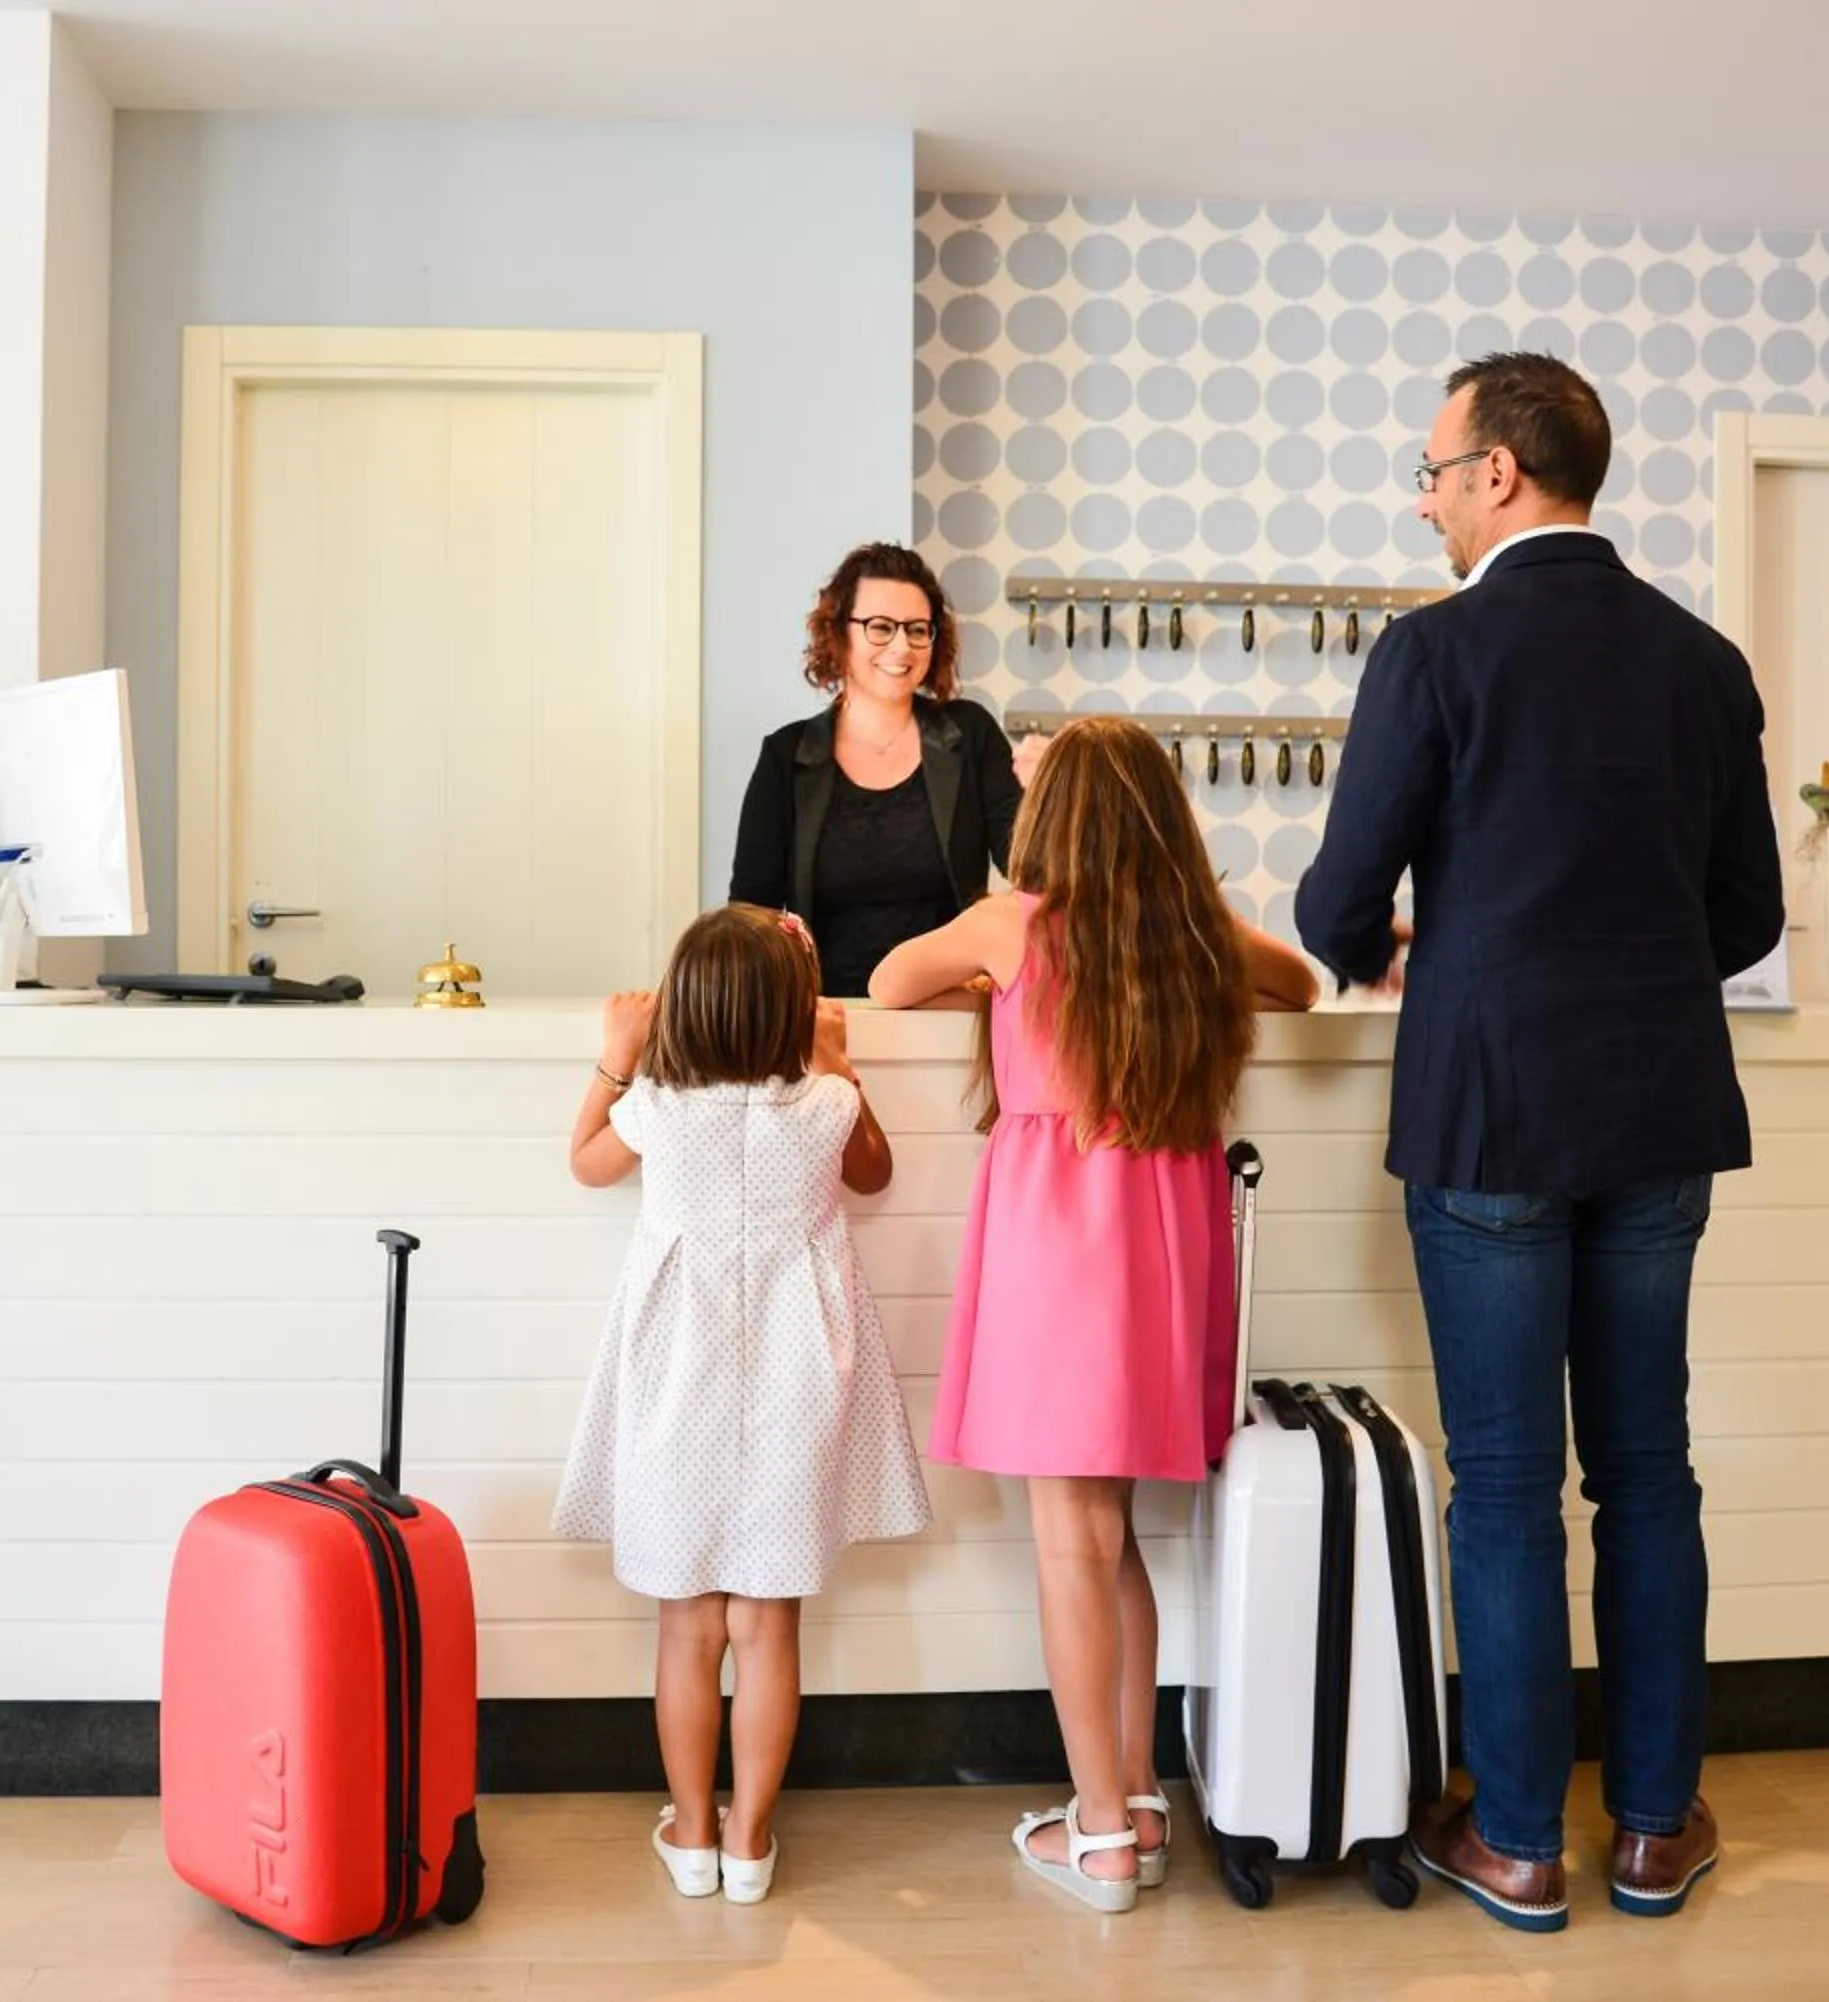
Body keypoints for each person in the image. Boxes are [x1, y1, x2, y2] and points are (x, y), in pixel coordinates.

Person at [1294, 352, 1785, 1933]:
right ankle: (1651, 1827)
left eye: (1433, 472)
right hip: (1659, 1112)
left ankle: (1514, 1840)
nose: (1426, 502)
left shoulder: (1435, 649)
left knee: (1506, 1487)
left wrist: (1411, 954)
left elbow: (1335, 902)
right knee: (1648, 1472)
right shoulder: (1703, 661)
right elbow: (1747, 912)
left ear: (1499, 472)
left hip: (1491, 1107)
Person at [867, 717, 1320, 1912]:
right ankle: (1136, 1797)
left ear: (1051, 819)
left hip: (1060, 1244)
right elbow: (1301, 983)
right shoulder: (1193, 933)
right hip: (1164, 1243)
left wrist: (987, 977)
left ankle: (1103, 1836)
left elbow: (889, 980)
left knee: (1069, 1539)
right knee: (1109, 1536)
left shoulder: (1012, 926)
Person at [550, 903, 933, 1906]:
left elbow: (584, 1160)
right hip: (795, 1388)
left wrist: (614, 1058)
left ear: (682, 1007)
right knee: (768, 1625)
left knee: (687, 1626)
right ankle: (750, 1839)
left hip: (681, 1386)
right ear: (794, 1010)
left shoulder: (659, 1106)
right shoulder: (825, 1104)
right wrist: (841, 1062)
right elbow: (877, 1175)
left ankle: (691, 1833)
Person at [729, 542, 1032, 998]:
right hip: (824, 1013)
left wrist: (1050, 788)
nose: (901, 646)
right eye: (881, 627)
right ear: (839, 633)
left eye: (917, 630)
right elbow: (750, 916)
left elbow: (1031, 866)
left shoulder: (972, 734)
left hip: (949, 1011)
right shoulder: (785, 756)